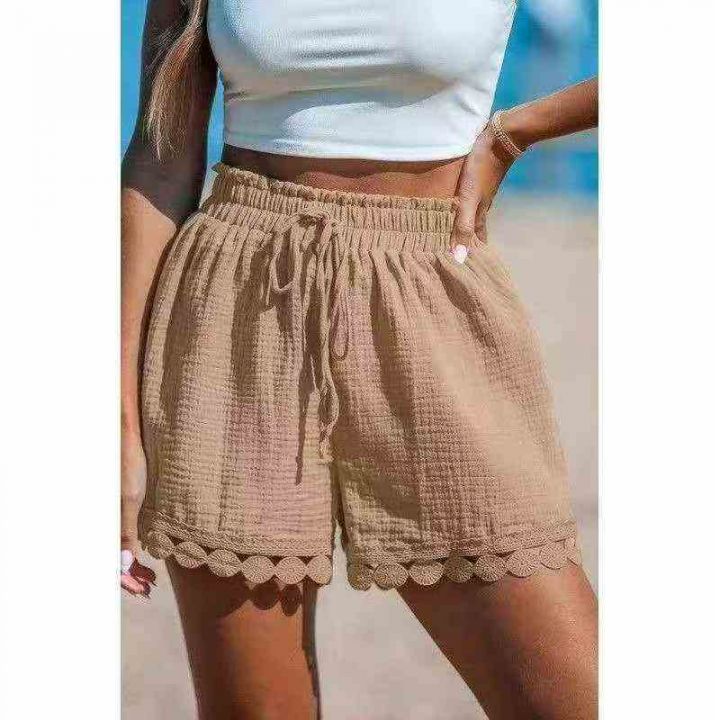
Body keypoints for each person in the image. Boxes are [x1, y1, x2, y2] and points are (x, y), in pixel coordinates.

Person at [121, 1, 598, 717]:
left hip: (431, 289)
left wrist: (519, 131)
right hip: (237, 304)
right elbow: (161, 155)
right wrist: (118, 420)